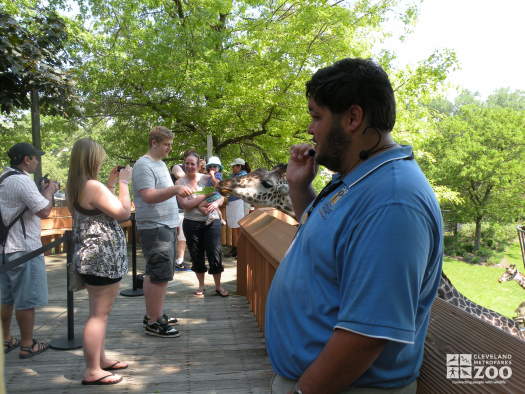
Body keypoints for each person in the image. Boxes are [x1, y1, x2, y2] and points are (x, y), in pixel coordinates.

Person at [265, 58, 443, 394]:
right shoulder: (357, 181)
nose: (310, 129)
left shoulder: (393, 200)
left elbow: (366, 335)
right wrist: (299, 188)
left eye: (316, 116)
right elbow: (321, 245)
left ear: (352, 118)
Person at [66, 138, 132, 385]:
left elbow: (97, 209)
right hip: (102, 259)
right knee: (98, 315)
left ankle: (100, 360)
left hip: (91, 256)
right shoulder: (92, 186)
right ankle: (92, 370)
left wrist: (111, 184)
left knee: (99, 312)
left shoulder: (77, 186)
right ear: (93, 159)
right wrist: (124, 183)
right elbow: (123, 213)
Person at [132, 126, 192, 338]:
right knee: (159, 274)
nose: (169, 148)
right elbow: (148, 196)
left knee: (156, 273)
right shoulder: (143, 165)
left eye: (170, 144)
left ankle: (154, 314)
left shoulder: (160, 164)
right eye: (166, 144)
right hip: (155, 226)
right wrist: (176, 189)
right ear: (154, 143)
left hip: (165, 225)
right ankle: (154, 321)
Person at [0, 142, 58, 359]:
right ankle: (27, 344)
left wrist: (42, 191)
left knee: (5, 298)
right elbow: (44, 211)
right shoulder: (22, 181)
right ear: (27, 159)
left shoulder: (3, 179)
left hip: (4, 249)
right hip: (24, 249)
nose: (38, 161)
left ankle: (5, 339)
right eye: (36, 157)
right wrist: (50, 190)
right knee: (26, 300)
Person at [176, 151, 229, 297]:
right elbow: (185, 205)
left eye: (192, 163)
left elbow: (222, 195)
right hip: (191, 223)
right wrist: (205, 196)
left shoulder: (208, 178)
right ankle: (201, 286)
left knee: (215, 252)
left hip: (212, 222)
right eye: (187, 163)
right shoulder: (179, 183)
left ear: (199, 165)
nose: (189, 166)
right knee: (196, 254)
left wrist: (217, 202)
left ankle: (218, 286)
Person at [225, 158, 250, 257]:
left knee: (239, 227)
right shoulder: (235, 175)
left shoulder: (243, 175)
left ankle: (240, 249)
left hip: (240, 202)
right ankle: (235, 248)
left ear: (239, 166)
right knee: (235, 227)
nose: (232, 168)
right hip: (234, 202)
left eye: (234, 166)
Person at [171, 162, 190, 271]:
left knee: (182, 237)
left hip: (184, 211)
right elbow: (180, 175)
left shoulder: (195, 175)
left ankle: (179, 260)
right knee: (171, 237)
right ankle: (170, 259)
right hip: (173, 210)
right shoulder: (177, 166)